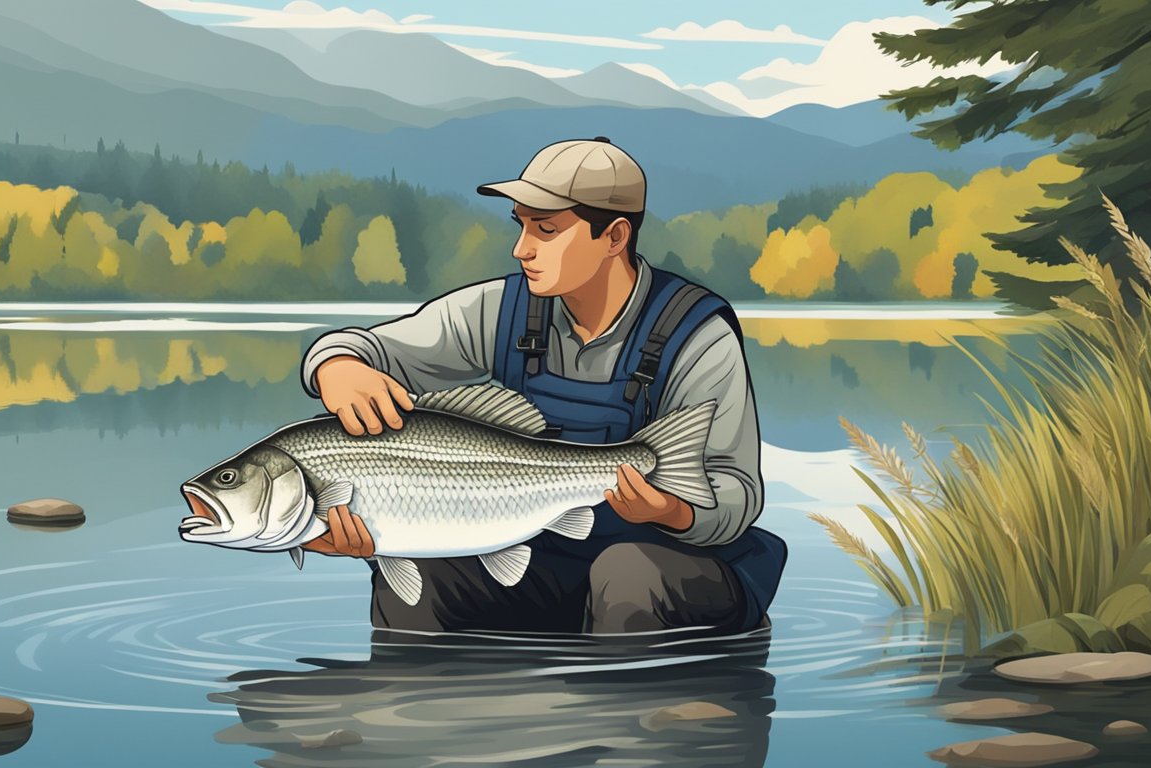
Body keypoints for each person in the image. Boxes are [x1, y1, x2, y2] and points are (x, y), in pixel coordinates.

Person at [299, 137, 787, 634]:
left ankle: (637, 708)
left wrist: (670, 510)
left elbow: (736, 494)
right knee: (415, 580)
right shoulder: (501, 308)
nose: (521, 249)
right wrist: (336, 366)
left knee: (627, 576)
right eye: (522, 225)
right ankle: (412, 706)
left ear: (615, 237)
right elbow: (373, 348)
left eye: (546, 229)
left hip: (669, 568)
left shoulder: (695, 335)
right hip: (544, 561)